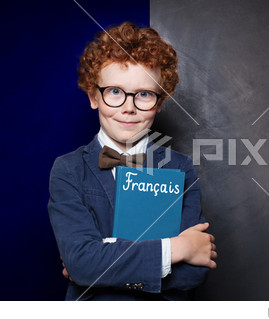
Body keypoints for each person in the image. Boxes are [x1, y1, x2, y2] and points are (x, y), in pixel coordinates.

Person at [48, 21, 217, 301]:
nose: (128, 107)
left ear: (159, 103)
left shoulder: (181, 168)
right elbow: (82, 265)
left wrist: (103, 260)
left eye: (144, 94)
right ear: (93, 96)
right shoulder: (68, 169)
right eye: (114, 91)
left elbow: (193, 273)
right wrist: (175, 249)